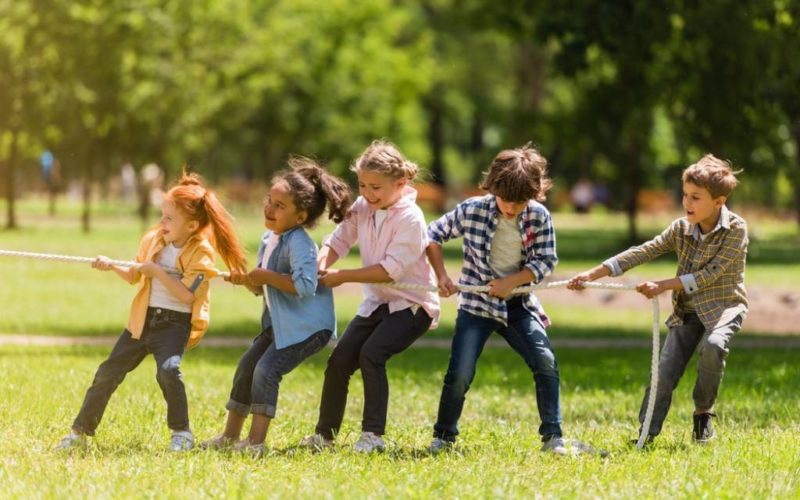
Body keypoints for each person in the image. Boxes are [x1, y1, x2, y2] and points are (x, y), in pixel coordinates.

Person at [57, 172, 247, 452]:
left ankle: (181, 432)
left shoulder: (202, 254)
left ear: (193, 225)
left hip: (174, 324)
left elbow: (185, 294)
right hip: (142, 320)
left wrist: (157, 271)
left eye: (169, 218)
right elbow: (135, 275)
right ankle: (79, 432)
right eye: (162, 215)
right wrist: (111, 265)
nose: (162, 222)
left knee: (168, 371)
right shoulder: (154, 240)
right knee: (107, 372)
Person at [568, 154, 747, 444]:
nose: (687, 203)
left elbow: (709, 275)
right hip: (687, 310)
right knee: (664, 372)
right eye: (685, 195)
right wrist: (593, 273)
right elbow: (644, 251)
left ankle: (703, 414)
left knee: (714, 346)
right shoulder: (680, 228)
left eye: (696, 197)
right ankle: (646, 434)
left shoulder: (736, 229)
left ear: (719, 201)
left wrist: (663, 285)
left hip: (724, 306)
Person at [199, 158, 351, 456]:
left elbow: (305, 286)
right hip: (279, 323)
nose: (269, 208)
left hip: (308, 328)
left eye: (280, 206)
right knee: (247, 367)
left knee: (266, 371)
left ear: (300, 215)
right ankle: (230, 436)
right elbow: (261, 288)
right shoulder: (269, 237)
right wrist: (245, 281)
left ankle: (255, 444)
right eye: (269, 201)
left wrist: (266, 276)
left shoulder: (300, 243)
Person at [299, 140, 440, 453]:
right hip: (377, 302)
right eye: (362, 185)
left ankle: (372, 436)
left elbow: (390, 270)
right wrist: (322, 262)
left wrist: (343, 277)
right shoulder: (364, 207)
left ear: (401, 183)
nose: (367, 193)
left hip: (412, 306)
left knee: (372, 355)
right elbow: (338, 240)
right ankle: (324, 436)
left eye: (376, 187)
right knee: (339, 361)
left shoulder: (412, 218)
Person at [426, 143, 566, 455]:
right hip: (476, 307)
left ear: (534, 195)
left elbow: (546, 261)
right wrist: (442, 277)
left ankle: (553, 437)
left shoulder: (539, 216)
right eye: (506, 199)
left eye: (520, 201)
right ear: (493, 187)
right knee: (460, 372)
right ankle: (444, 437)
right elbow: (432, 235)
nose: (512, 207)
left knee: (545, 361)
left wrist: (512, 282)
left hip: (519, 305)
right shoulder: (472, 210)